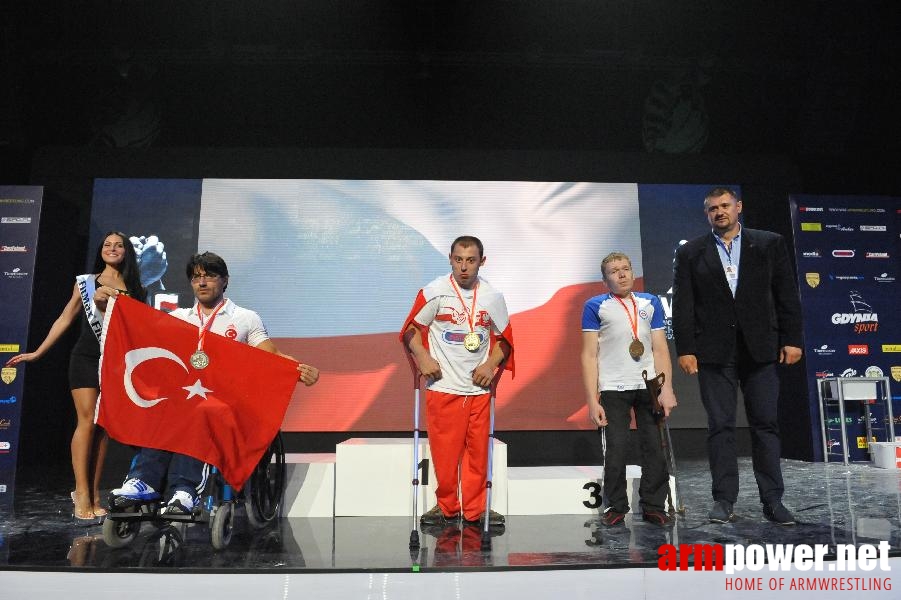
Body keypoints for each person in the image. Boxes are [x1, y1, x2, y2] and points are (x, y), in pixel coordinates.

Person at [109, 252, 320, 514]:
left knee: (203, 411)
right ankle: (143, 481)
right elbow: (142, 334)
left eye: (209, 276)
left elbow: (271, 355)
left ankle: (185, 490)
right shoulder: (179, 318)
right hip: (186, 398)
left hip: (227, 403)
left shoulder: (244, 318)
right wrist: (109, 306)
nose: (202, 282)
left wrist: (299, 369)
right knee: (162, 408)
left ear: (224, 281)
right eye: (196, 277)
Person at [672, 187, 803, 526]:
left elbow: (786, 293)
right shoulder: (692, 253)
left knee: (765, 425)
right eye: (713, 208)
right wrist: (685, 348)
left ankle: (773, 501)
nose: (720, 212)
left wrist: (792, 339)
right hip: (714, 352)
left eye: (725, 206)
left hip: (761, 349)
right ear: (707, 214)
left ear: (739, 207)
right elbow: (683, 304)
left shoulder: (769, 243)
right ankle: (723, 500)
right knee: (720, 426)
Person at [5, 232, 146, 522]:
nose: (112, 248)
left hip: (116, 363)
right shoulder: (86, 282)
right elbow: (65, 318)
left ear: (126, 252)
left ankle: (94, 493)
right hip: (85, 358)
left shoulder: (136, 288)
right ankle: (80, 492)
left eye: (118, 245)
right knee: (87, 422)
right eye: (107, 245)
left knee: (103, 426)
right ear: (101, 251)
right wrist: (38, 352)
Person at [401, 236, 513, 528]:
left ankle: (475, 510)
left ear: (482, 262)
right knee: (445, 455)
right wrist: (423, 358)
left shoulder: (492, 297)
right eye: (459, 259)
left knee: (478, 455)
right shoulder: (434, 292)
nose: (464, 267)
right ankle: (447, 507)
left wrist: (491, 364)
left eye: (471, 260)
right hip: (444, 387)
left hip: (478, 389)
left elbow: (504, 340)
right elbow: (411, 330)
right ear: (450, 259)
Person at [581, 252, 678, 527]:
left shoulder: (650, 303)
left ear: (632, 272)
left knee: (653, 448)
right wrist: (592, 399)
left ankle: (653, 505)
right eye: (614, 271)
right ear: (605, 279)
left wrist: (666, 387)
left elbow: (660, 348)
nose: (621, 274)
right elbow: (589, 355)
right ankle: (616, 506)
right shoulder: (595, 306)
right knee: (617, 448)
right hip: (613, 387)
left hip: (649, 386)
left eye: (625, 268)